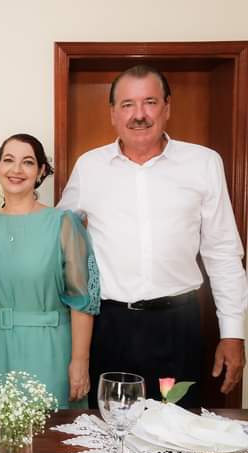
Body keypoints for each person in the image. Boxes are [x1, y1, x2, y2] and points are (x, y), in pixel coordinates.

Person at [58, 64, 248, 407]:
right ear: (113, 113)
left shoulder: (204, 163)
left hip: (178, 328)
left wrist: (233, 334)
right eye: (127, 105)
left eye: (150, 102)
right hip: (110, 327)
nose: (139, 115)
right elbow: (57, 238)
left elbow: (222, 251)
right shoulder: (89, 167)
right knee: (111, 428)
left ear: (167, 107)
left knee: (177, 427)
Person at [0, 134, 99, 408]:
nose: (17, 169)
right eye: (9, 160)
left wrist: (80, 361)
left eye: (28, 162)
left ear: (41, 171)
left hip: (50, 348)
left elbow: (83, 300)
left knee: (51, 429)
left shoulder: (64, 224)